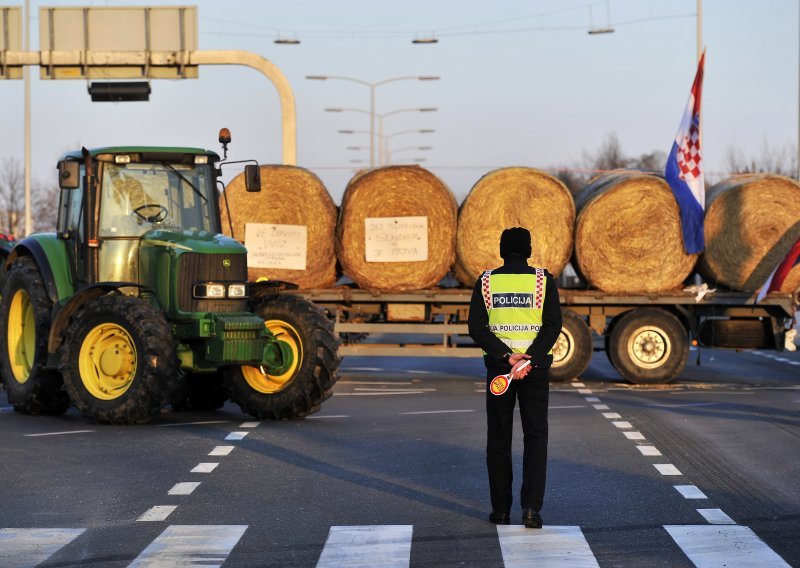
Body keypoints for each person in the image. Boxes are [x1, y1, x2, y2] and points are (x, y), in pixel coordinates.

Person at [467, 227, 562, 529]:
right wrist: (530, 356)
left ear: (502, 250)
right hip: (535, 370)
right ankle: (531, 510)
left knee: (499, 439)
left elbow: (477, 328)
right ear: (529, 250)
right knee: (535, 437)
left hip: (500, 371)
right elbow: (552, 325)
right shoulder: (543, 281)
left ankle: (500, 511)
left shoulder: (485, 283)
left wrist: (506, 356)